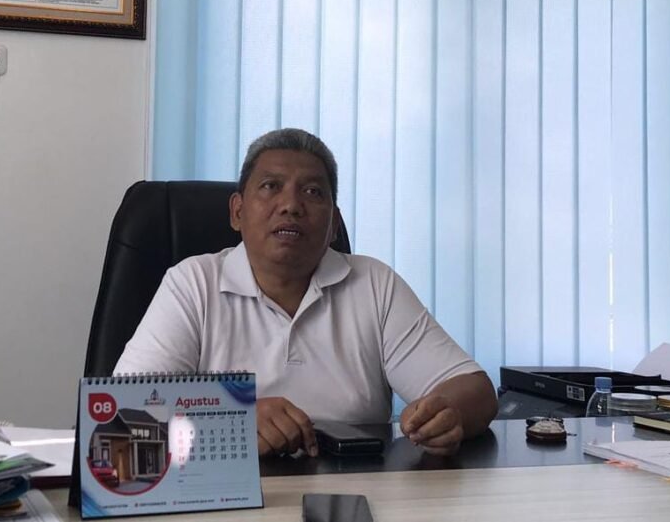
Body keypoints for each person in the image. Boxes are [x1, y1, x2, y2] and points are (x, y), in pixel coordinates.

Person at [115, 128, 498, 457]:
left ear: (334, 224)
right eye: (271, 186)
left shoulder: (373, 283)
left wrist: (448, 413)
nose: (291, 205)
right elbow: (124, 412)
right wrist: (235, 418)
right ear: (237, 212)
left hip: (352, 492)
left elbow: (475, 390)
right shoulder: (193, 282)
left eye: (313, 192)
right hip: (224, 494)